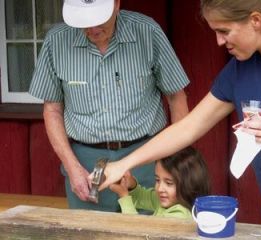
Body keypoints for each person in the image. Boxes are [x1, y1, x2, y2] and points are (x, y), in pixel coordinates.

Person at [95, 0, 261, 235]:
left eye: (224, 31)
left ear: (256, 20)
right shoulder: (239, 70)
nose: (219, 42)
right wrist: (123, 164)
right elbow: (188, 128)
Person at [28, 0, 190, 212]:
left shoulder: (147, 32)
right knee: (89, 234)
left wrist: (175, 162)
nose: (93, 29)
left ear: (116, 4)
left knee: (147, 233)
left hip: (145, 158)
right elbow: (52, 110)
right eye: (84, 21)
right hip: (86, 163)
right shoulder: (56, 41)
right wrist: (72, 166)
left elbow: (176, 97)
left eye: (99, 19)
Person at [109, 146, 211, 219]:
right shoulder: (169, 200)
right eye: (158, 180)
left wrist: (124, 196)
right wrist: (130, 185)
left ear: (189, 184)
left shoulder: (179, 215)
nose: (160, 188)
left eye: (169, 183)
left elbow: (137, 233)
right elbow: (142, 197)